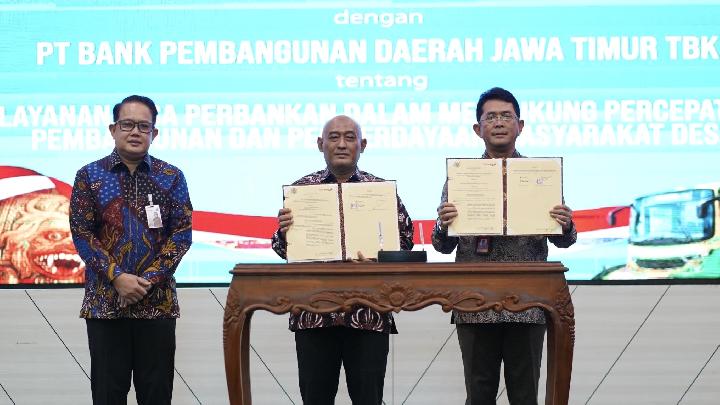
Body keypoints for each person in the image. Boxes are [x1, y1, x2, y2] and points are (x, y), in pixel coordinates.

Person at [432, 87, 576, 405]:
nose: (498, 122)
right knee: (479, 395)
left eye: (506, 116)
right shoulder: (461, 178)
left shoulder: (541, 176)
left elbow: (565, 240)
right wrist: (443, 224)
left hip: (528, 304)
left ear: (520, 126)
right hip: (474, 304)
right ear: (478, 128)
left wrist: (565, 223)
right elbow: (441, 245)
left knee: (524, 396)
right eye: (491, 117)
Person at [271, 115, 414, 405]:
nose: (341, 144)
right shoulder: (301, 191)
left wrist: (378, 258)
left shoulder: (381, 191)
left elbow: (405, 242)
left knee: (368, 399)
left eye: (350, 137)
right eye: (334, 137)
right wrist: (285, 233)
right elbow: (283, 250)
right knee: (315, 398)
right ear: (320, 144)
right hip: (314, 313)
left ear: (363, 145)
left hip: (369, 312)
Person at [69, 95, 193, 405]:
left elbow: (181, 235)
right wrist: (118, 277)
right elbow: (83, 233)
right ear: (113, 129)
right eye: (127, 124)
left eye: (143, 126)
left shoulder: (171, 177)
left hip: (157, 305)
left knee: (156, 395)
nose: (135, 131)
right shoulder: (89, 176)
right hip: (105, 305)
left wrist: (145, 282)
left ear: (154, 133)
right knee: (108, 395)